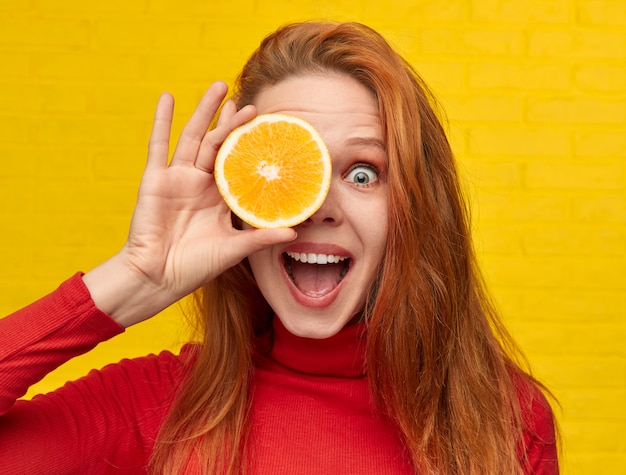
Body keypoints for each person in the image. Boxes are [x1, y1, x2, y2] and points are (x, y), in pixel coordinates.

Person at [0, 21, 558, 474]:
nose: (318, 205)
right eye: (285, 170)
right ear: (237, 197)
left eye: (363, 173)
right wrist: (134, 279)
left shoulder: (506, 418)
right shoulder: (153, 405)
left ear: (415, 207)